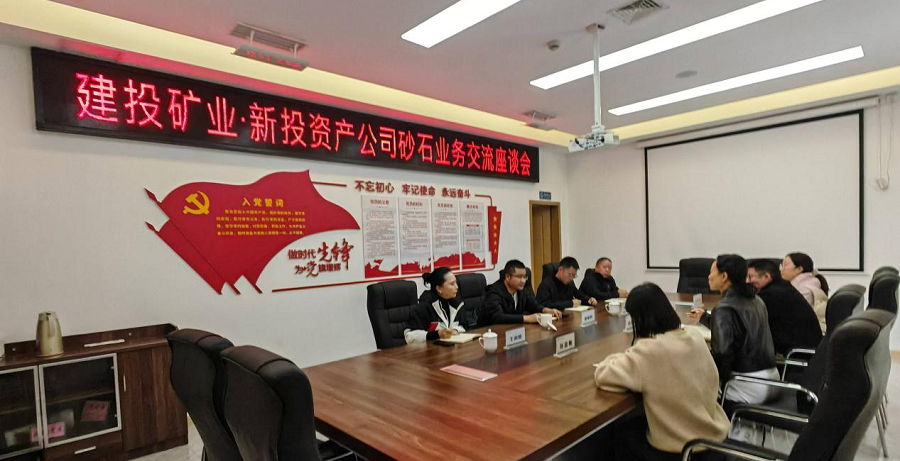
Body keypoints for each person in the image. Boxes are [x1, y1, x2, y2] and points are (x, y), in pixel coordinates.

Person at [595, 283, 729, 460]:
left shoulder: (650, 351)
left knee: (617, 433)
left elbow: (603, 375)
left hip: (682, 448)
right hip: (714, 438)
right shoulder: (694, 335)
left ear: (640, 319)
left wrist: (617, 357)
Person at [688, 254, 777, 409]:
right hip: (773, 380)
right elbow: (738, 326)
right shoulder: (757, 300)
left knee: (689, 389)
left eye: (712, 272)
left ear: (724, 276)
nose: (708, 276)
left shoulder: (724, 308)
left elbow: (722, 355)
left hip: (747, 385)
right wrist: (706, 318)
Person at [747, 259, 822, 356]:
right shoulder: (783, 287)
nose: (748, 281)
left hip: (794, 351)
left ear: (766, 277)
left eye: (750, 277)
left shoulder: (769, 295)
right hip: (810, 348)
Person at [477, 260, 562, 325]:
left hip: (512, 331)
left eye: (525, 277)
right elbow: (497, 317)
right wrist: (527, 318)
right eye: (519, 277)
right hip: (489, 333)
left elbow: (533, 305)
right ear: (507, 277)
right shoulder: (493, 292)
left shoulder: (520, 291)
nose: (523, 281)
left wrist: (546, 310)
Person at [403, 267, 466, 343]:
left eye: (456, 283)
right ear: (439, 289)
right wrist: (436, 334)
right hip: (429, 349)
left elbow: (464, 326)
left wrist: (455, 330)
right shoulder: (424, 308)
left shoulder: (457, 305)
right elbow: (409, 336)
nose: (457, 287)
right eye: (452, 284)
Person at [780, 252, 829, 331]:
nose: (781, 269)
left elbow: (793, 316)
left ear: (799, 269)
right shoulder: (807, 284)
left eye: (785, 265)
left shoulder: (804, 290)